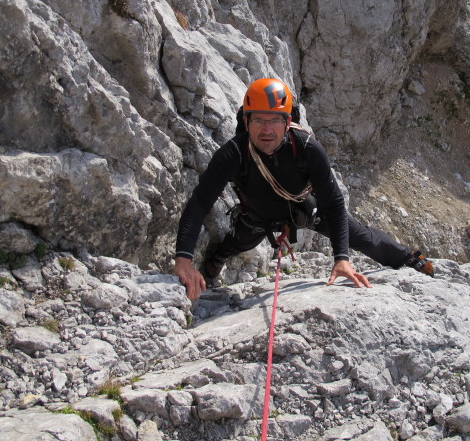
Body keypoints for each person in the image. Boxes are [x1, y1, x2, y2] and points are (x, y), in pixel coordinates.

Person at [174, 78, 434, 301]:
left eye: (275, 120)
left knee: (360, 236)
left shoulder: (307, 148)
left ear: (288, 122)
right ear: (246, 120)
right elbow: (200, 202)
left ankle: (407, 259)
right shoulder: (234, 153)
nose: (266, 130)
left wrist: (341, 257)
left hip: (304, 208)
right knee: (236, 243)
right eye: (258, 120)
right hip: (256, 214)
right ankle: (215, 260)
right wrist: (184, 259)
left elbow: (333, 204)